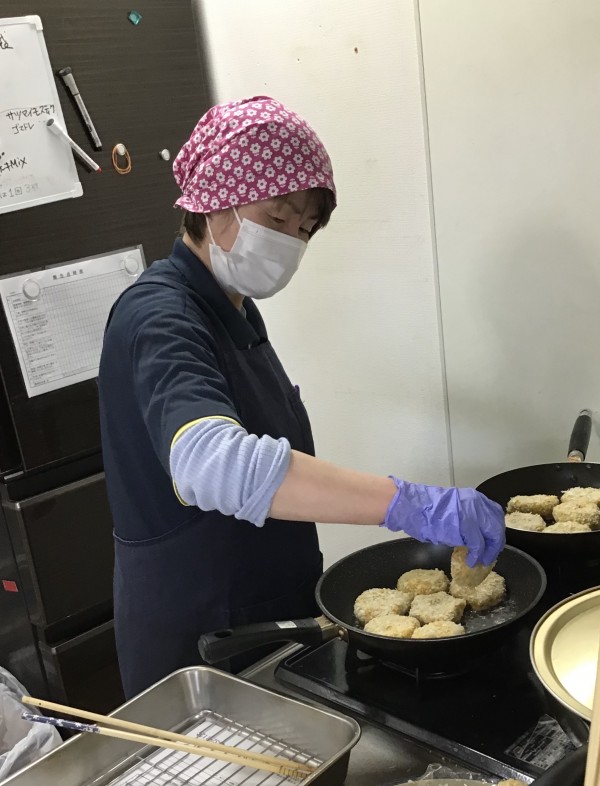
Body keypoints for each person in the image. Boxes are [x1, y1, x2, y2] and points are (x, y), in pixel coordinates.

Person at [98, 96, 504, 698]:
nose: (291, 240)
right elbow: (213, 463)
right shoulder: (159, 317)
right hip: (201, 643)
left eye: (305, 229)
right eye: (278, 217)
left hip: (264, 616)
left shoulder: (235, 311)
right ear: (215, 200)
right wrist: (408, 503)